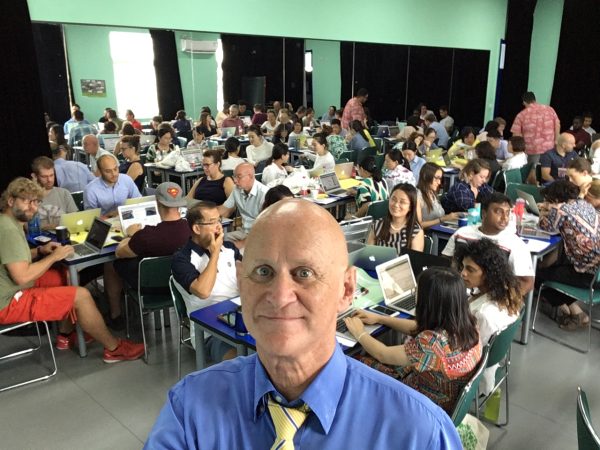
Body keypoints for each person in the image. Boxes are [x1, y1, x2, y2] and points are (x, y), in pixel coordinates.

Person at [145, 199, 462, 449]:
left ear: (346, 290)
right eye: (264, 272)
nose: (280, 296)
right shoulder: (189, 411)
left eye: (304, 273)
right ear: (242, 283)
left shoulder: (420, 434)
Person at [0, 178, 144, 362]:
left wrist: (40, 250)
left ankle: (65, 334)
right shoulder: (9, 230)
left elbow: (13, 258)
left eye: (36, 202)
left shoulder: (9, 221)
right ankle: (114, 348)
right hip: (8, 300)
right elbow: (21, 276)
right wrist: (54, 257)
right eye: (26, 201)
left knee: (66, 276)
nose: (33, 207)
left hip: (11, 287)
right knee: (81, 296)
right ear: (10, 200)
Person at [345, 266, 481, 415]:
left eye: (417, 291)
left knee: (355, 361)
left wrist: (359, 332)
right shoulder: (468, 326)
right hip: (442, 395)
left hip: (423, 406)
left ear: (429, 302)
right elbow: (417, 328)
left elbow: (382, 354)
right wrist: (380, 318)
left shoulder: (433, 344)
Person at [103, 182, 191, 330]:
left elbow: (119, 252)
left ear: (157, 203)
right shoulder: (191, 228)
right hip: (182, 283)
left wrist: (130, 235)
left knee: (111, 264)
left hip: (150, 288)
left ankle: (115, 315)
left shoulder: (145, 236)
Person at [170, 201, 238, 360]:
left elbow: (246, 279)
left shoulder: (229, 248)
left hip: (238, 317)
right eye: (212, 222)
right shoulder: (181, 259)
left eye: (219, 220)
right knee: (238, 361)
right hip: (209, 333)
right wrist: (214, 254)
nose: (219, 227)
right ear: (196, 228)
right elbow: (203, 291)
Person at [455, 238, 523, 394]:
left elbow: (467, 351)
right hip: (491, 364)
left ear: (488, 274)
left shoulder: (484, 314)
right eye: (463, 267)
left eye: (470, 269)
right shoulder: (506, 295)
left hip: (472, 376)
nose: (463, 273)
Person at [537, 180, 600, 330]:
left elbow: (544, 227)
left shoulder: (560, 210)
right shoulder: (584, 204)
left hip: (588, 275)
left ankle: (577, 313)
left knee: (538, 274)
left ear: (555, 198)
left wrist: (543, 212)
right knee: (554, 265)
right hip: (596, 270)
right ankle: (565, 308)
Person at [442, 192, 535, 295]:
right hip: (455, 292)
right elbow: (444, 263)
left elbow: (527, 283)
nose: (504, 217)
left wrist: (502, 299)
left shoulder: (516, 244)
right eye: (499, 212)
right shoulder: (462, 233)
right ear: (484, 213)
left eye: (507, 213)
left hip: (492, 297)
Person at [510, 91, 560, 184]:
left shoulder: (521, 115)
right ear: (534, 100)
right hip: (550, 149)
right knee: (548, 175)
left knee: (532, 177)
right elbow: (557, 125)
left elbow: (516, 136)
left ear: (524, 102)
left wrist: (516, 154)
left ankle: (534, 191)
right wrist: (556, 141)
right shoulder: (550, 110)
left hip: (532, 150)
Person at [217, 163, 269, 246]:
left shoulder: (264, 194)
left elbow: (265, 228)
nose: (235, 180)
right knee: (217, 241)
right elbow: (224, 209)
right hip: (243, 232)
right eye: (234, 176)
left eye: (239, 177)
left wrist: (241, 244)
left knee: (230, 249)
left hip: (259, 237)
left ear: (250, 176)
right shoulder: (237, 189)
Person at [367, 183, 424, 254]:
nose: (396, 205)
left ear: (410, 207)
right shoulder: (377, 225)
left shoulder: (416, 231)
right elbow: (368, 254)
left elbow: (414, 260)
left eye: (402, 202)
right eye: (393, 199)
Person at [30, 157, 78, 229]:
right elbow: (26, 227)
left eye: (51, 175)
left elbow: (75, 219)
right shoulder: (28, 198)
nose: (49, 180)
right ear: (35, 176)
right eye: (44, 176)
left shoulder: (64, 193)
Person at [416, 162, 459, 229]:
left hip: (439, 229)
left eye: (440, 179)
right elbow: (419, 225)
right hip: (428, 233)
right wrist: (442, 219)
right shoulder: (417, 196)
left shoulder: (432, 193)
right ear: (425, 176)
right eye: (436, 178)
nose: (439, 182)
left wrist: (450, 217)